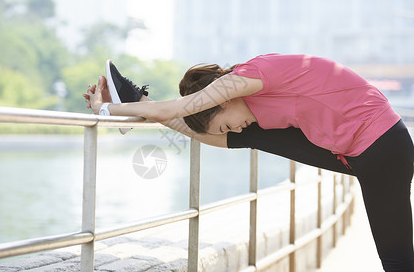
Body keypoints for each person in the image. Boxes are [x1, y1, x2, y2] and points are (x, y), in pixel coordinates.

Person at [83, 53, 414, 271]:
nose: (236, 127)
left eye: (227, 121)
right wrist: (139, 108)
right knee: (248, 135)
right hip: (358, 151)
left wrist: (108, 110)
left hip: (382, 146)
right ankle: (135, 97)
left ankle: (131, 97)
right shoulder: (251, 107)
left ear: (222, 100)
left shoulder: (250, 77)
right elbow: (206, 131)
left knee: (397, 258)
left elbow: (173, 110)